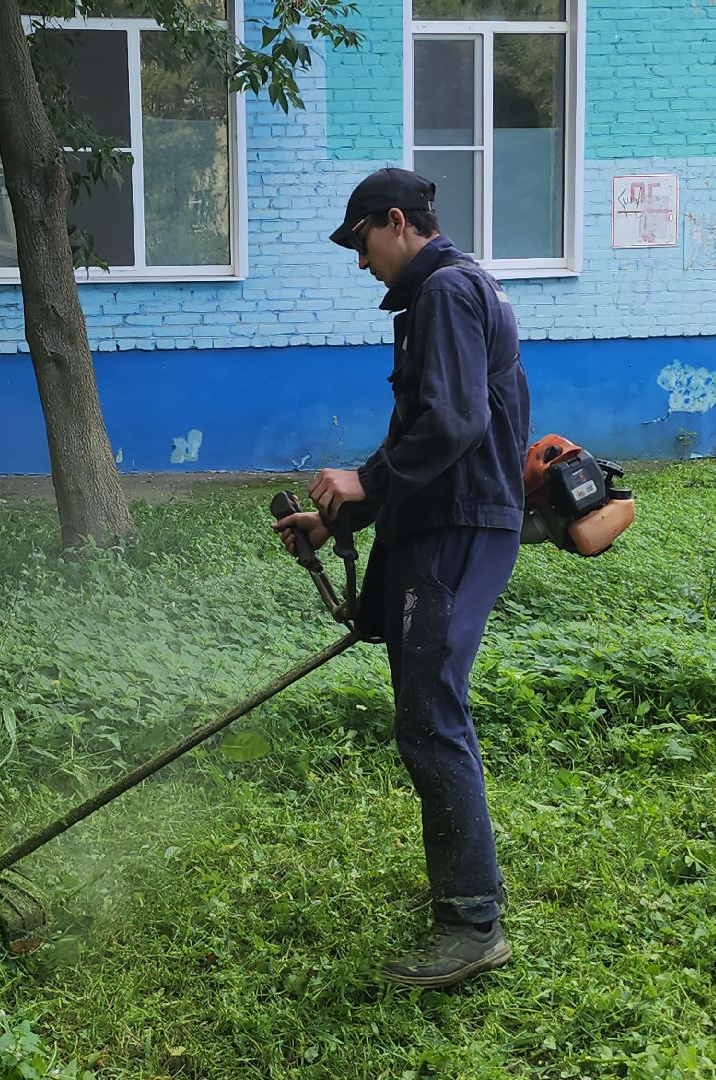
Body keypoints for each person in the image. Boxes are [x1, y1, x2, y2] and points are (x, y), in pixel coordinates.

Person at [273, 167, 530, 990]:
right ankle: (463, 900)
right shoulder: (436, 298)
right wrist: (340, 517)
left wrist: (366, 482)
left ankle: (472, 924)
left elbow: (454, 425)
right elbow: (429, 437)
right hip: (442, 523)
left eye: (361, 244)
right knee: (426, 712)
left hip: (460, 526)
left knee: (430, 718)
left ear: (396, 221)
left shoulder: (448, 292)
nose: (360, 262)